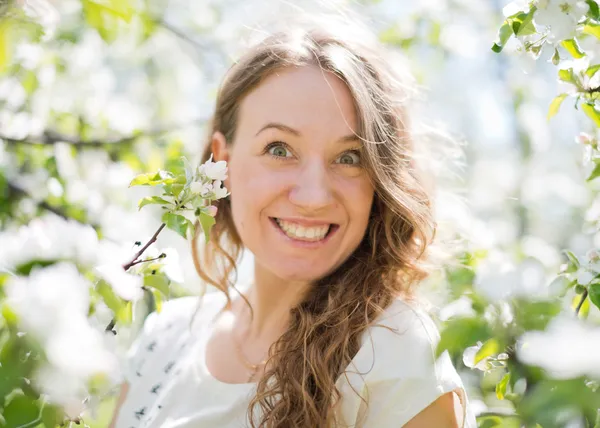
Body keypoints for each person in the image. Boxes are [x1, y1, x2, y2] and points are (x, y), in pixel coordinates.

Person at [109, 13, 477, 428]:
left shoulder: (396, 359)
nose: (314, 196)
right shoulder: (164, 339)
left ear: (380, 178)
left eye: (349, 157)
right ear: (222, 160)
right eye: (280, 149)